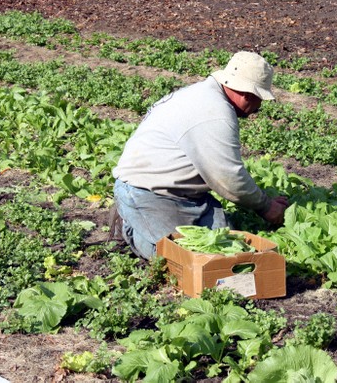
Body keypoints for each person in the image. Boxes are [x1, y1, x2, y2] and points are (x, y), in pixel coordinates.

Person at [111, 51, 289, 259]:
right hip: (147, 192)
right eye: (259, 99)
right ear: (246, 94)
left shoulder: (205, 95)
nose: (258, 108)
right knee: (174, 257)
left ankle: (151, 222)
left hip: (188, 195)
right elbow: (228, 177)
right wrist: (266, 206)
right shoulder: (215, 113)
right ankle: (130, 224)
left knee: (223, 247)